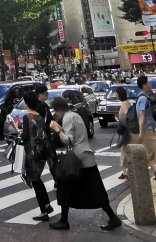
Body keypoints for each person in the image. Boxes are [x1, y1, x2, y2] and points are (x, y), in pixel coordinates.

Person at [48, 96, 120, 231]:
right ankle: (112, 217)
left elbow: (68, 140)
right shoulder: (74, 115)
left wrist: (57, 130)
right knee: (90, 189)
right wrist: (60, 128)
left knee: (67, 188)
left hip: (78, 160)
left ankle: (64, 221)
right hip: (85, 157)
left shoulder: (68, 118)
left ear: (58, 109)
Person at [19, 90, 55, 222]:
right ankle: (46, 205)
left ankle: (44, 211)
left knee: (35, 180)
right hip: (41, 152)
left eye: (24, 101)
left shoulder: (27, 117)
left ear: (27, 103)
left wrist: (18, 132)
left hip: (32, 153)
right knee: (37, 179)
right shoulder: (39, 116)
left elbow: (25, 136)